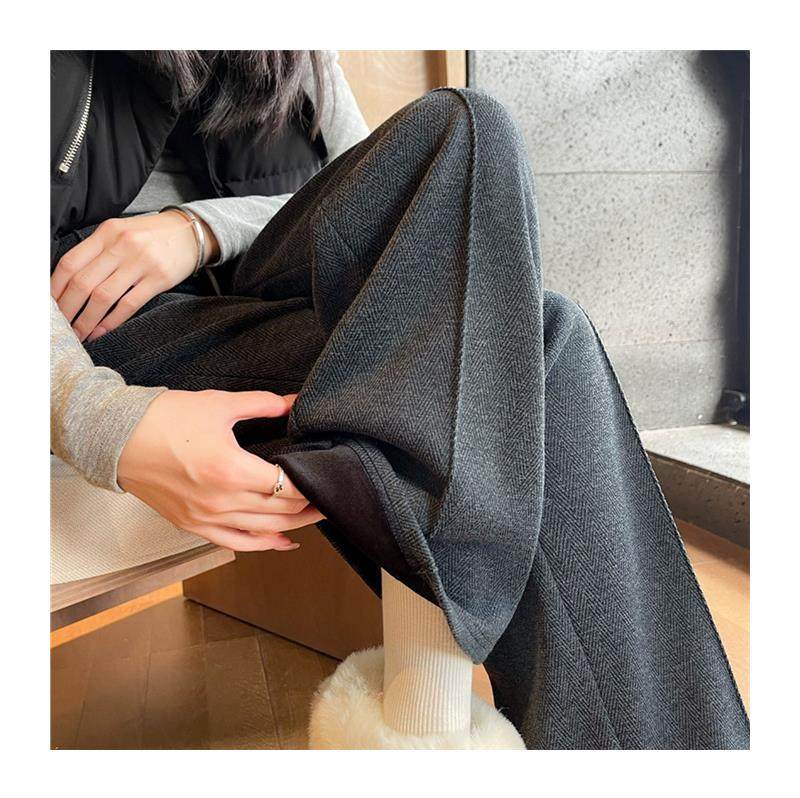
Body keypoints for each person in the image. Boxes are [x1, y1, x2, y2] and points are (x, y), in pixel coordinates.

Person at [50, 50, 749, 749]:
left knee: (464, 126)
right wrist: (101, 419)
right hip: (109, 320)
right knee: (543, 337)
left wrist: (197, 230)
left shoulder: (293, 48)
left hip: (260, 279)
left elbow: (373, 187)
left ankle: (455, 544)